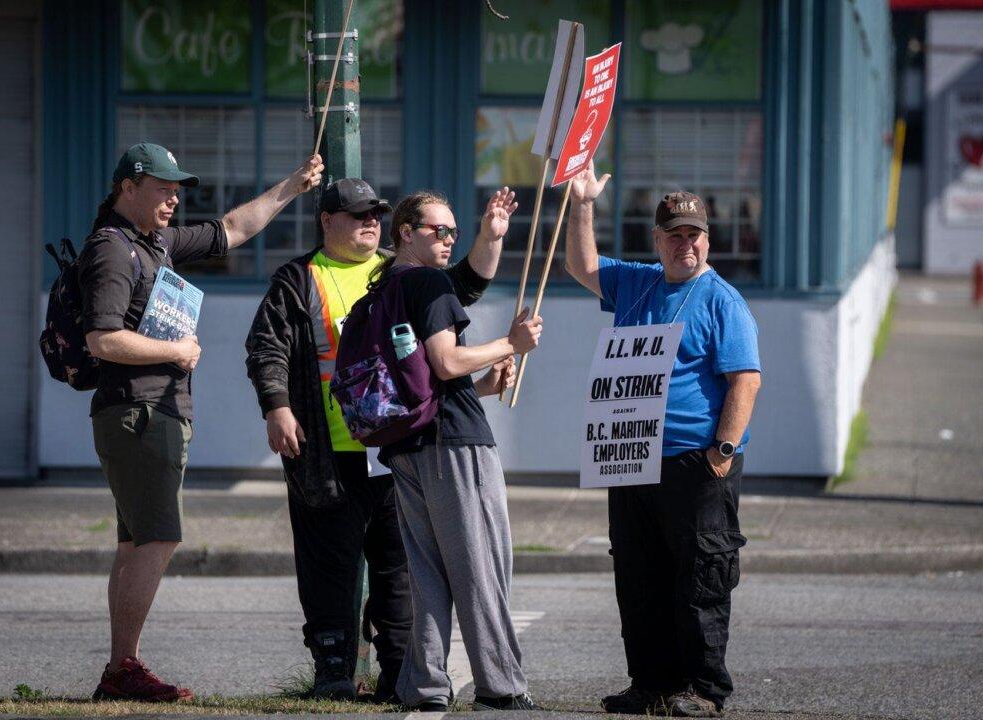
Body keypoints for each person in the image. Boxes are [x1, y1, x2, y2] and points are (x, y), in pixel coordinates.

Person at [244, 179, 517, 702]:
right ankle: (333, 671)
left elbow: (465, 283)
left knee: (400, 568)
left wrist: (491, 234)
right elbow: (266, 347)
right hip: (326, 449)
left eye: (376, 214)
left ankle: (399, 673)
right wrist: (277, 408)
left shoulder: (400, 272)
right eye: (356, 214)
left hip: (398, 448)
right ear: (326, 221)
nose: (370, 222)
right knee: (330, 564)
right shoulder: (300, 277)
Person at [80, 142, 323, 702]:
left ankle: (122, 667)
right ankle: (122, 669)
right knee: (158, 536)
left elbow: (232, 229)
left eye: (176, 190)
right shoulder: (113, 251)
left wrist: (292, 186)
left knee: (134, 542)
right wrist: (176, 353)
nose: (172, 199)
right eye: (162, 188)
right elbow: (102, 337)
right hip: (139, 412)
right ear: (128, 188)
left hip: (148, 411)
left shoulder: (155, 243)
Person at [564, 162, 761, 718]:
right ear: (657, 240)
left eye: (693, 235)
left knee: (700, 576)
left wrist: (722, 451)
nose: (684, 245)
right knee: (639, 574)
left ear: (707, 239)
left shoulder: (722, 300)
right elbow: (580, 265)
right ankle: (650, 683)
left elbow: (745, 378)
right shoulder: (637, 282)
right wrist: (583, 205)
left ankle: (702, 689)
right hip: (628, 456)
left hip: (694, 462)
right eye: (673, 235)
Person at [373, 191, 542, 712]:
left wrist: (485, 385)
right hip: (454, 447)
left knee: (426, 573)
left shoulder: (384, 288)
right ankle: (501, 685)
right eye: (438, 231)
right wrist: (510, 343)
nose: (449, 240)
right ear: (406, 231)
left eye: (453, 231)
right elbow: (445, 363)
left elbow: (424, 374)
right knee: (481, 566)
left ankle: (422, 686)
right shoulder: (425, 282)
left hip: (407, 445)